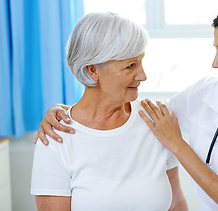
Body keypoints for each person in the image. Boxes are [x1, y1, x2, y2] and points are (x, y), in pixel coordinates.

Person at [36, 1, 218, 211]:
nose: (215, 62)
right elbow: (152, 117)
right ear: (93, 70)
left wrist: (178, 143)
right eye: (131, 65)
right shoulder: (206, 92)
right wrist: (60, 111)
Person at [31, 12, 188, 211]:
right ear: (92, 70)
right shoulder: (56, 136)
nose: (143, 75)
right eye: (130, 66)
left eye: (141, 62)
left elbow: (177, 204)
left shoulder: (157, 121)